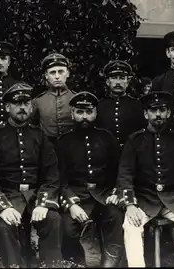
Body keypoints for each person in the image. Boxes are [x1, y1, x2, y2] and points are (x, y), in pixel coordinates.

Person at [108, 90, 174, 267]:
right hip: (144, 201)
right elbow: (125, 175)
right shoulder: (135, 140)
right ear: (146, 114)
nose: (158, 114)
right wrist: (130, 205)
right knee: (131, 227)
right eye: (153, 110)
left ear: (168, 113)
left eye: (162, 110)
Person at [0, 82, 62, 268]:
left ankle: (51, 265)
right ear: (7, 107)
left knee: (53, 219)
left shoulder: (40, 136)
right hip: (8, 195)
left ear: (31, 106)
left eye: (26, 103)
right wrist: (3, 207)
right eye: (17, 103)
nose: (22, 107)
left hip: (34, 196)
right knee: (3, 225)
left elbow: (52, 175)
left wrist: (43, 203)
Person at [57, 91, 125, 267]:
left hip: (104, 194)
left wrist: (116, 192)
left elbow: (121, 170)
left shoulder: (107, 138)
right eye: (80, 112)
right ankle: (76, 263)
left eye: (89, 112)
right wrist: (71, 204)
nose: (84, 117)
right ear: (72, 113)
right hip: (78, 196)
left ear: (95, 113)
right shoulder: (63, 142)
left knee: (115, 216)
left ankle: (109, 264)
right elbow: (59, 178)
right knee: (67, 227)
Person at [96, 60, 146, 149]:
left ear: (128, 81)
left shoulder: (137, 105)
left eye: (122, 78)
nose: (118, 82)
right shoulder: (100, 106)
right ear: (107, 81)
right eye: (114, 78)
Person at [32, 53, 76, 146]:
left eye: (61, 72)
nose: (57, 76)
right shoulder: (38, 101)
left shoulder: (76, 99)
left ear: (67, 73)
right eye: (52, 72)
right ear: (46, 76)